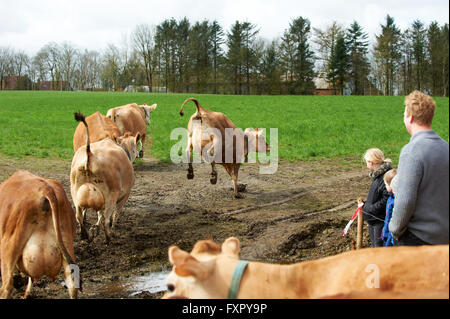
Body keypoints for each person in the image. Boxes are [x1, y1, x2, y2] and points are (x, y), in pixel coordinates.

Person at [389, 90, 449, 246]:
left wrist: (394, 229)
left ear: (410, 117)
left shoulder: (412, 151)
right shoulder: (446, 147)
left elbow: (406, 200)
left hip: (418, 240)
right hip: (444, 239)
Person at [360, 148, 392, 247]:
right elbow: (376, 196)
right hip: (373, 219)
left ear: (371, 162)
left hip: (379, 220)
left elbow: (386, 198)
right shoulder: (378, 176)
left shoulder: (385, 176)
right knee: (374, 247)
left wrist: (370, 209)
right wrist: (366, 205)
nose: (366, 165)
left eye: (367, 162)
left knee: (378, 248)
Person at [382, 170, 397, 247]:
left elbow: (389, 218)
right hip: (387, 231)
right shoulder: (390, 198)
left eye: (386, 184)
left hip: (391, 235)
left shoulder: (394, 201)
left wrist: (386, 234)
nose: (385, 186)